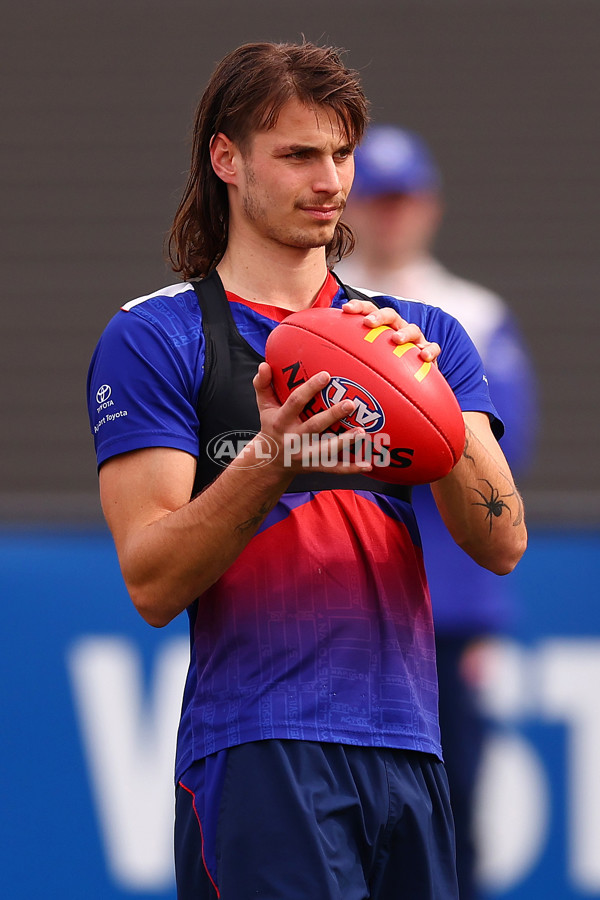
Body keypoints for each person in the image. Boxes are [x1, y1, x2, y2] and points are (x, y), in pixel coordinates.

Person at [86, 42, 527, 900]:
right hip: (258, 749)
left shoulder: (419, 332)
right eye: (297, 155)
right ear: (227, 158)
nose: (329, 180)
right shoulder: (156, 337)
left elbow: (502, 540)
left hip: (408, 746)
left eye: (340, 153)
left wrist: (434, 399)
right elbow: (150, 580)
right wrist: (272, 463)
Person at [339, 124, 537, 899]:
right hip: (345, 601)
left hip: (445, 607)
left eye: (402, 199)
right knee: (347, 814)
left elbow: (498, 460)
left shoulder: (470, 317)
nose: (389, 217)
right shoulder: (316, 312)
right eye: (375, 200)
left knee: (451, 821)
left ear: (428, 206)